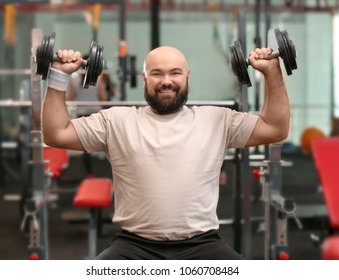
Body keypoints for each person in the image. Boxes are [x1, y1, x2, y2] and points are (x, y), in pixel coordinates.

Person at [42, 45, 290, 260]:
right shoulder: (115, 121)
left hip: (202, 245)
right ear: (144, 78)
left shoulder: (217, 120)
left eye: (175, 73)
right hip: (133, 246)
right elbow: (56, 134)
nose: (167, 81)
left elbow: (275, 129)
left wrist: (272, 72)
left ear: (188, 76)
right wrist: (58, 76)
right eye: (157, 73)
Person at [66, 71, 115, 177]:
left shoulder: (74, 80)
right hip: (96, 115)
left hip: (82, 115)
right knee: (106, 142)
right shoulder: (98, 78)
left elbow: (70, 97)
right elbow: (103, 98)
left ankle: (89, 173)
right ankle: (107, 172)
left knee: (85, 147)